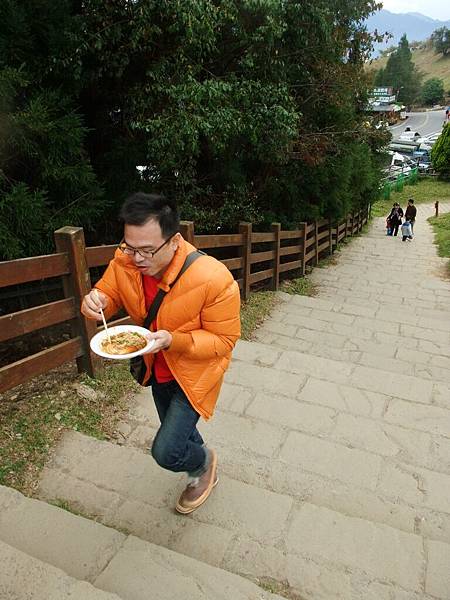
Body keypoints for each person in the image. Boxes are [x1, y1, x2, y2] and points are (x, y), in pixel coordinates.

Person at [81, 193, 241, 514]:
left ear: (174, 240)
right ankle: (197, 454)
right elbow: (109, 292)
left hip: (194, 375)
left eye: (147, 250)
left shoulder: (214, 278)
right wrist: (95, 301)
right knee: (176, 429)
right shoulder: (124, 260)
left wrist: (173, 340)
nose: (137, 258)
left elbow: (224, 340)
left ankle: (204, 464)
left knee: (166, 451)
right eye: (130, 246)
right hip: (156, 369)